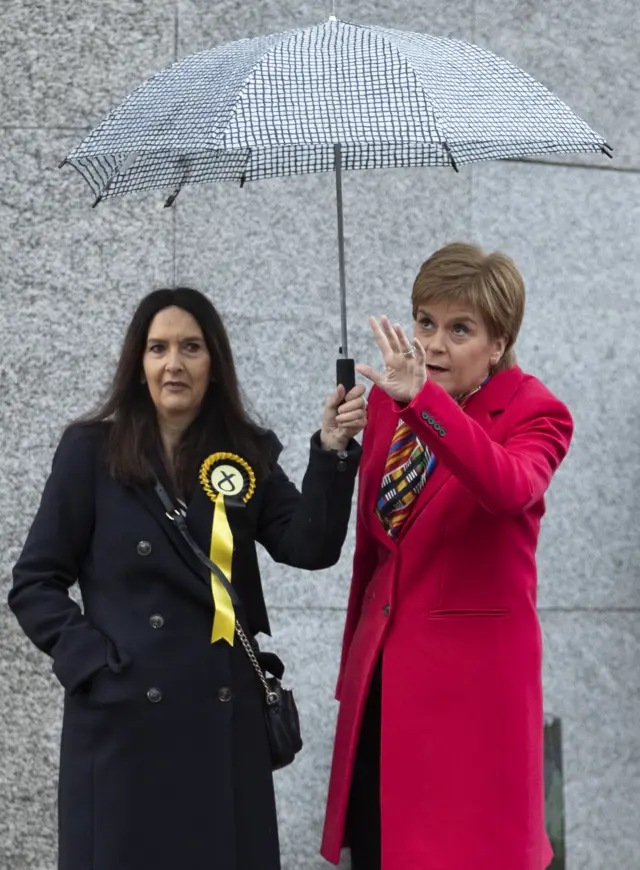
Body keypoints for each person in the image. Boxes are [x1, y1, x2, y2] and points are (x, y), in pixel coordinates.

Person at [8, 287, 366, 870]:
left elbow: (311, 546)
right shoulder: (90, 452)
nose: (173, 363)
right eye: (158, 348)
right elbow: (34, 582)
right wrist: (95, 663)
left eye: (191, 348)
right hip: (123, 727)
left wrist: (331, 449)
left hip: (220, 729)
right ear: (139, 363)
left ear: (214, 365)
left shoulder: (244, 454)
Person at [321, 243, 573, 870]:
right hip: (384, 674)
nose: (433, 343)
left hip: (472, 701)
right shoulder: (389, 402)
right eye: (425, 322)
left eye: (460, 329)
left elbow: (508, 486)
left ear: (498, 342)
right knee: (380, 852)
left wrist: (422, 406)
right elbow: (378, 550)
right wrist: (332, 446)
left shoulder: (533, 411)